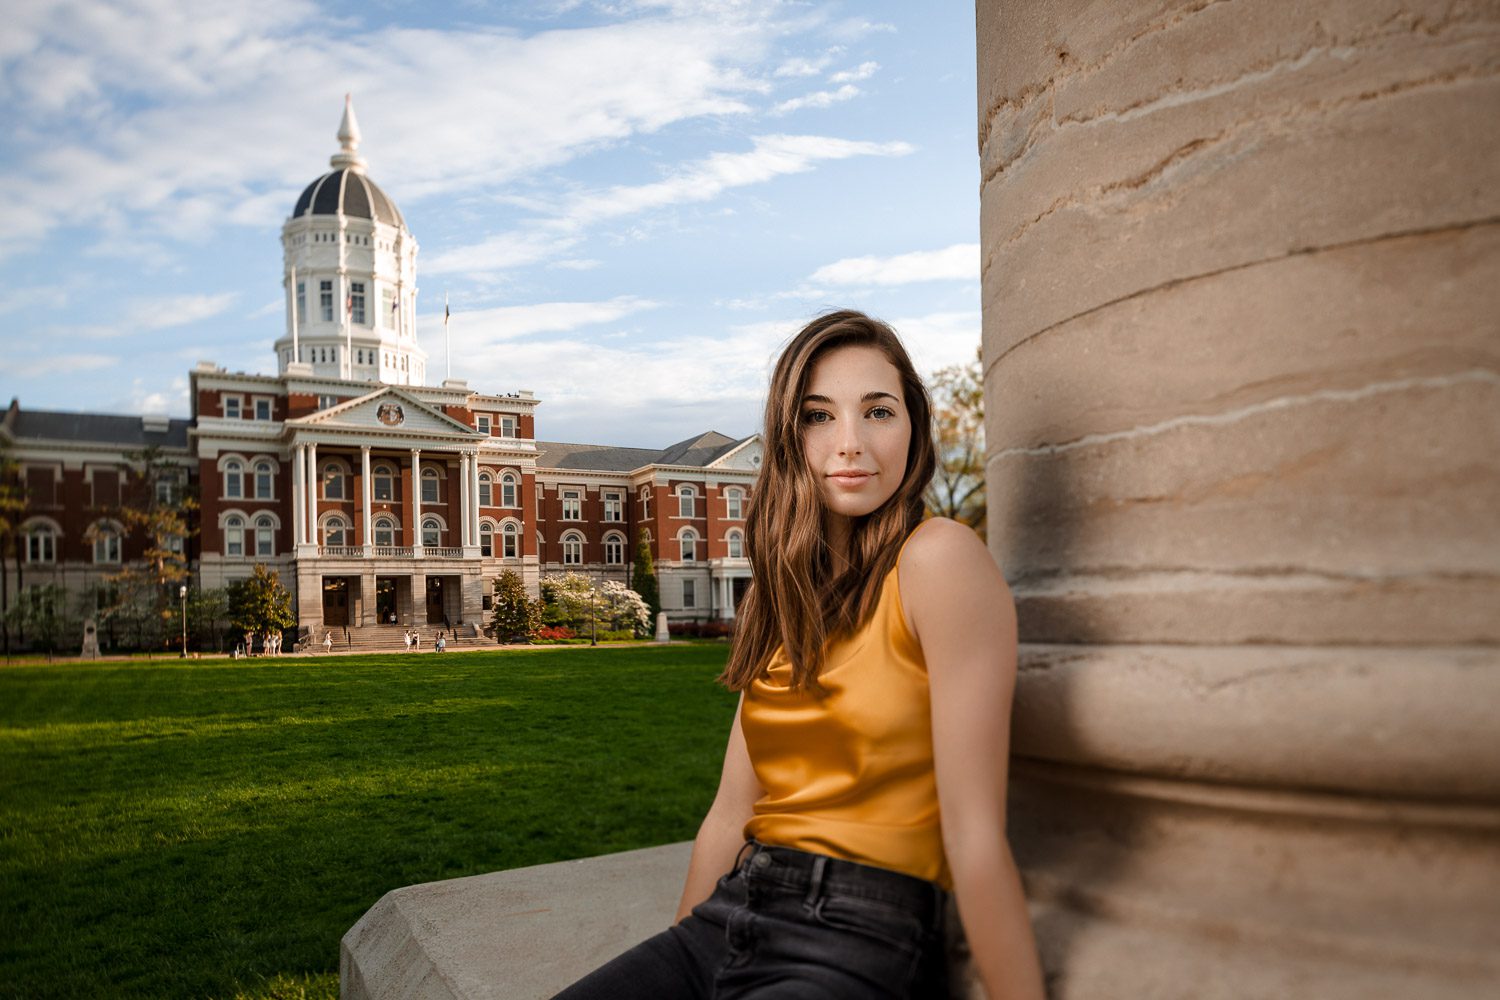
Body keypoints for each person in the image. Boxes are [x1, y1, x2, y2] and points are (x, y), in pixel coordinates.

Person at [553, 311, 1045, 999]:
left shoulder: (940, 562)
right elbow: (730, 814)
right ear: (790, 438)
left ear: (914, 429)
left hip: (859, 932)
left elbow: (975, 836)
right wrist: (681, 955)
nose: (850, 444)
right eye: (819, 416)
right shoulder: (781, 596)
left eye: (878, 410)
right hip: (731, 917)